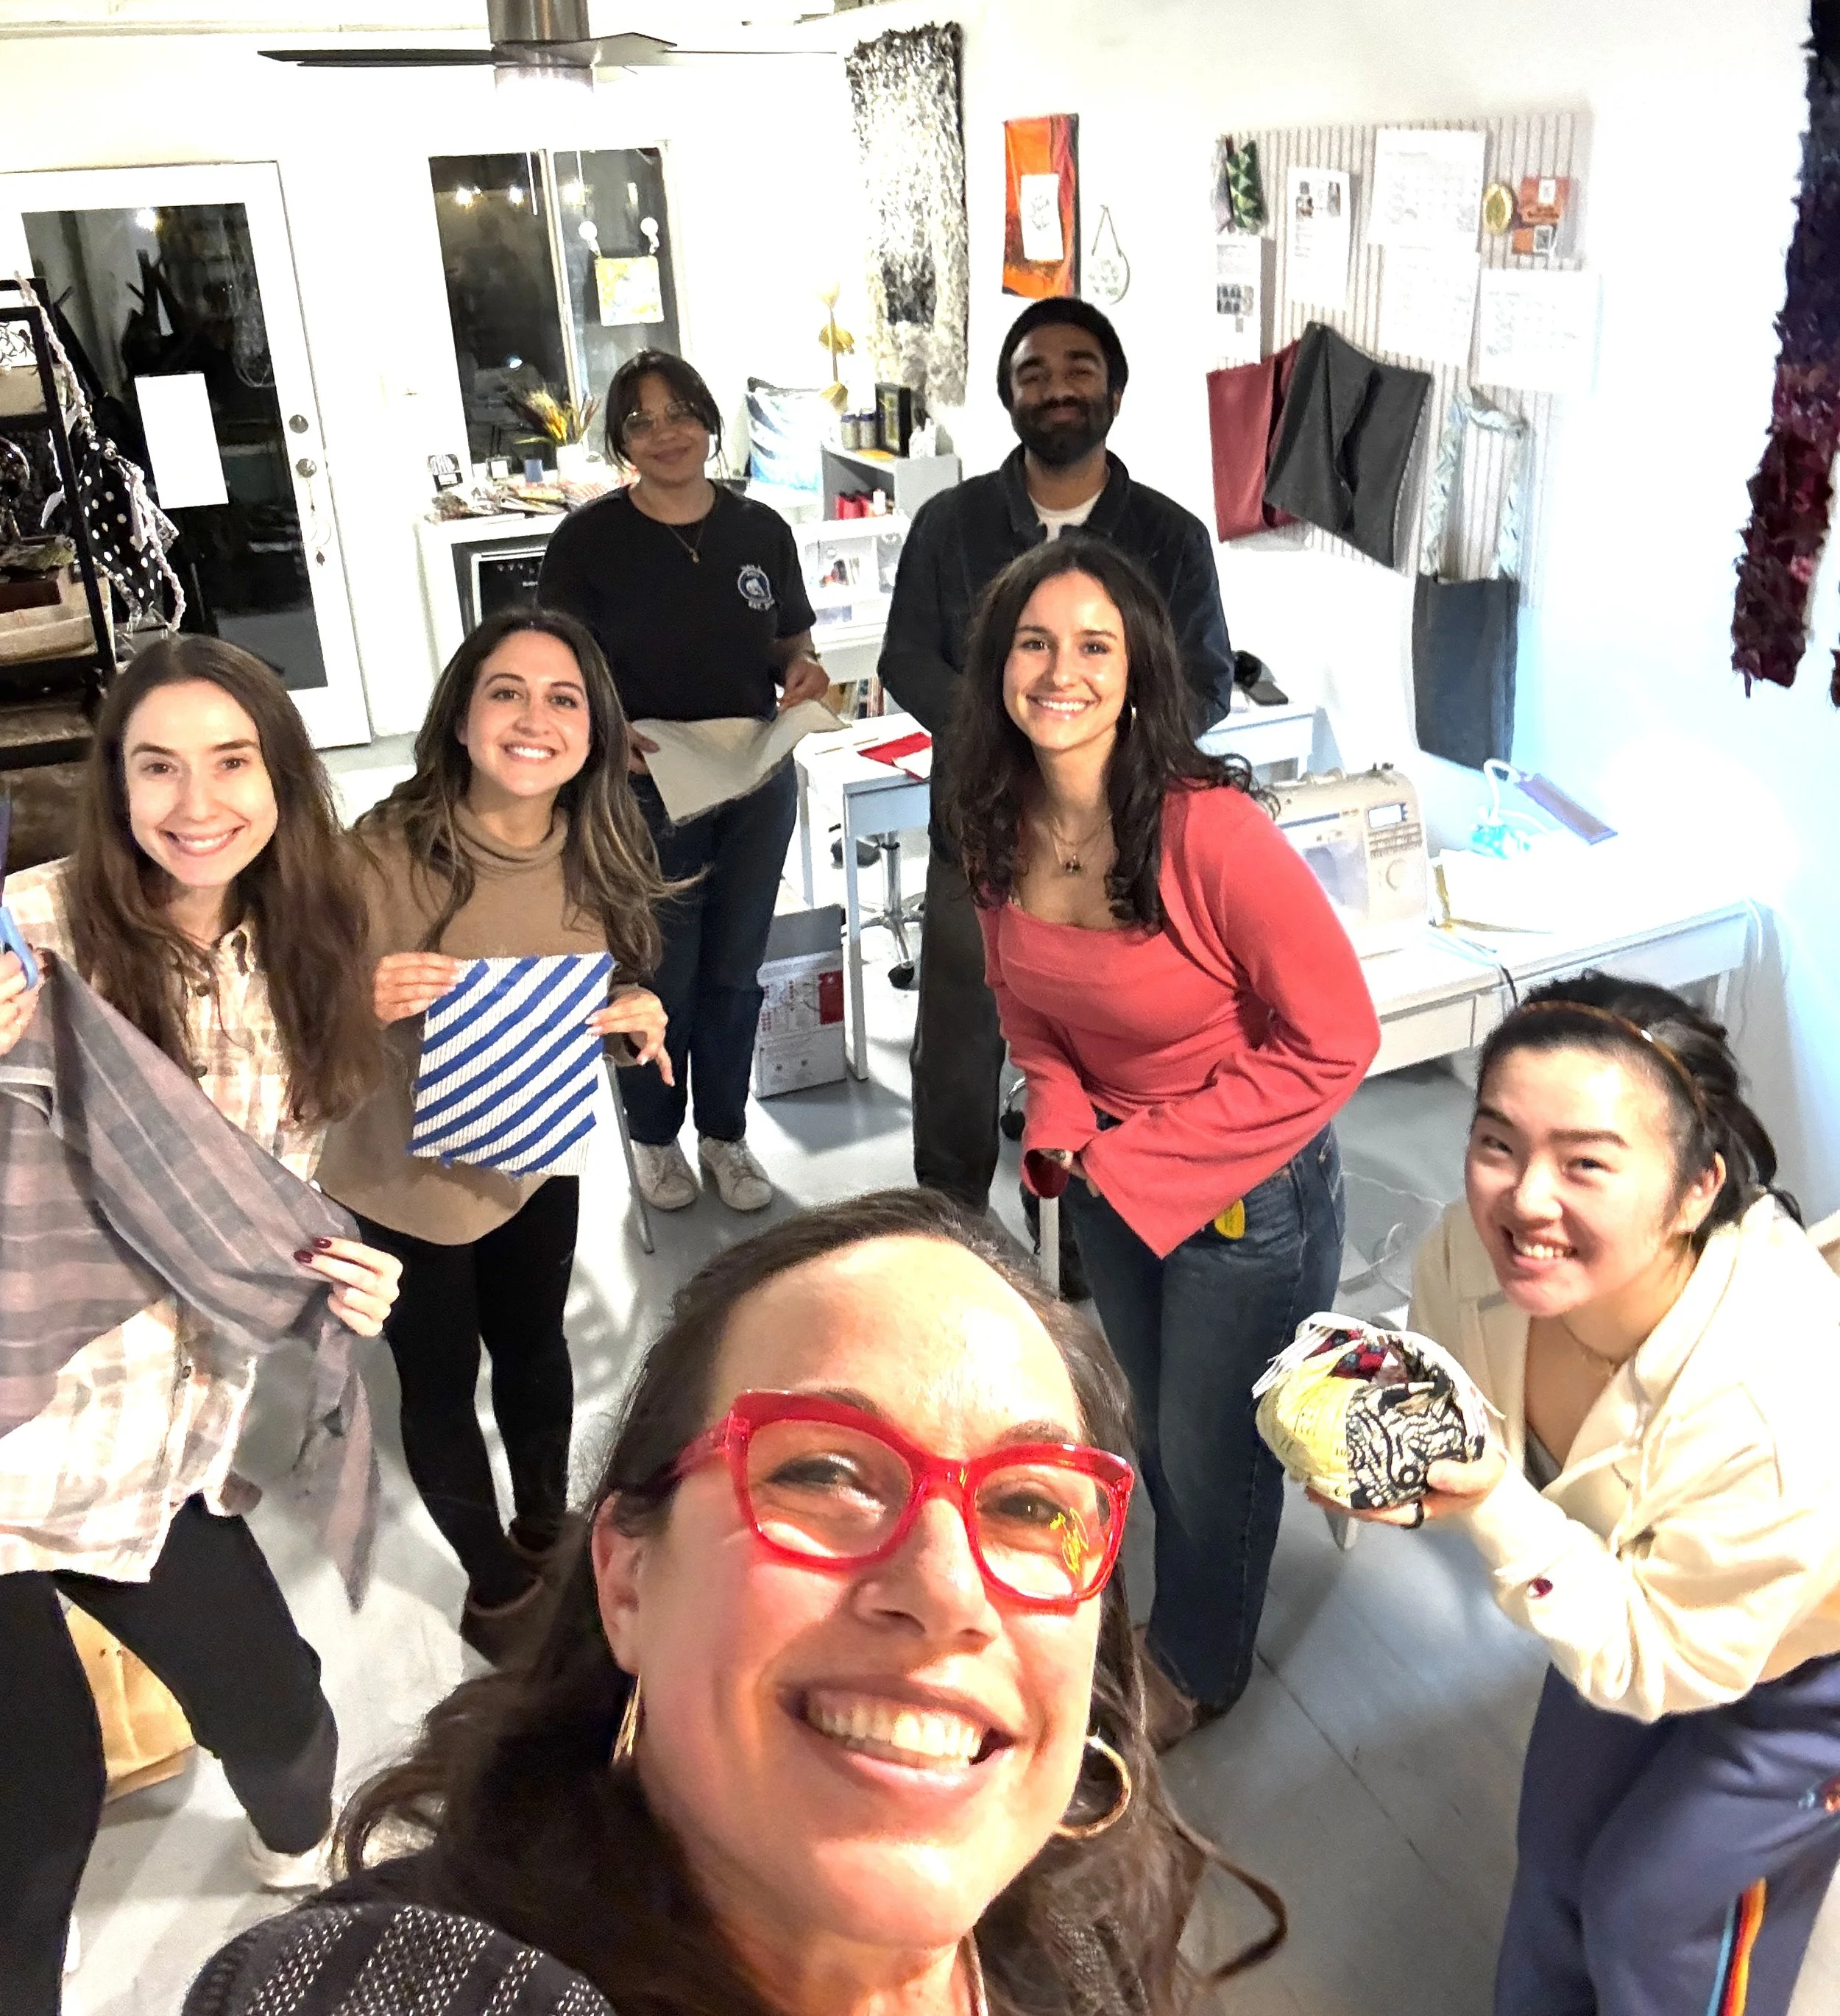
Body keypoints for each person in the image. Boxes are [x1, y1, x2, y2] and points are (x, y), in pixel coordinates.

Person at [186, 1189, 1285, 2016]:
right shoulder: (419, 1983)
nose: (949, 1588)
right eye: (822, 1473)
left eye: (1031, 1506)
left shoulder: (1080, 1945)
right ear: (627, 1575)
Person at [0, 636, 402, 2012]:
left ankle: (297, 1853)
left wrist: (340, 1269)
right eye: (155, 764)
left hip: (158, 1449)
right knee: (35, 1812)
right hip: (12, 1427)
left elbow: (260, 1185)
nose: (195, 800)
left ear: (283, 776)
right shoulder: (33, 929)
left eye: (232, 760)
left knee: (288, 1721)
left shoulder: (302, 945)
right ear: (110, 783)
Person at [1326, 974, 1840, 2016]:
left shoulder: (1770, 1405)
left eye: (1587, 1163)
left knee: (1655, 1908)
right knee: (1557, 1853)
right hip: (1631, 1590)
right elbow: (1452, 1401)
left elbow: (1661, 1656)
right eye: (1499, 1143)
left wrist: (1488, 1500)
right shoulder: (1471, 1259)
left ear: (1697, 1189)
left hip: (1810, 1662)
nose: (1525, 1201)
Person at [944, 536, 1378, 1733]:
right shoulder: (996, 818)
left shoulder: (1210, 833)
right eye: (1035, 641)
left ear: (1139, 674)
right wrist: (1073, 1123)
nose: (1060, 669)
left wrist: (1132, 1156)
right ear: (998, 668)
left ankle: (1197, 1663)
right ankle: (1171, 1603)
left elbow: (1338, 1036)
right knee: (1144, 1419)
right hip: (1113, 1182)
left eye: (1095, 644)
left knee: (1211, 1452)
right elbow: (1027, 1009)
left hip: (1249, 1191)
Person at [316, 610, 672, 1666]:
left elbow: (605, 990)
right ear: (462, 720)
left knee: (535, 1345)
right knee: (436, 1377)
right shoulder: (375, 859)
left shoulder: (600, 844)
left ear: (596, 731)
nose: (535, 717)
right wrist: (356, 995)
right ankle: (491, 1577)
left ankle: (546, 1526)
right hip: (398, 1181)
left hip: (529, 1154)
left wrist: (634, 1012)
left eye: (564, 698)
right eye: (506, 691)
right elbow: (280, 1009)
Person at [880, 297, 1235, 1229]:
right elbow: (906, 658)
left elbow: (1203, 680)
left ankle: (1087, 1228)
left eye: (1078, 368)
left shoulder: (1168, 536)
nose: (1057, 388)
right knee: (958, 1037)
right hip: (981, 828)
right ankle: (948, 1223)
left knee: (1099, 1040)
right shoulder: (949, 524)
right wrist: (1014, 732)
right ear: (1008, 396)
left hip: (1112, 836)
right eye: (1033, 373)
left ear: (1112, 389)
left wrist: (1090, 741)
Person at [539, 350, 830, 1216]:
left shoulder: (759, 531)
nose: (665, 434)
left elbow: (789, 641)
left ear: (708, 421)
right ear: (621, 440)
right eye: (641, 420)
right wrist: (601, 730)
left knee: (737, 970)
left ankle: (726, 1135)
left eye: (680, 414)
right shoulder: (588, 542)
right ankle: (656, 1138)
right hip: (642, 784)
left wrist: (804, 672)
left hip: (753, 778)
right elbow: (555, 666)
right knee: (658, 971)